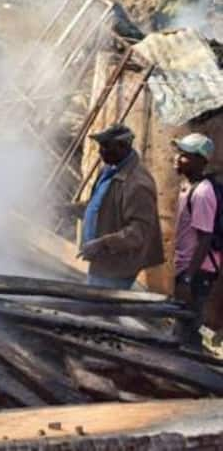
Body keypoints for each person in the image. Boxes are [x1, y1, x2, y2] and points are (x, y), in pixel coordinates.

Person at [74, 124, 164, 290]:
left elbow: (138, 232)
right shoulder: (109, 170)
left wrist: (101, 244)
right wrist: (72, 209)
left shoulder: (137, 183)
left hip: (118, 265)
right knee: (93, 305)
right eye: (100, 146)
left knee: (99, 309)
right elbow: (101, 206)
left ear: (123, 146)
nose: (100, 151)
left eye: (106, 146)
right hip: (102, 259)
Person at [171, 133, 221, 347]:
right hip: (189, 268)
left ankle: (190, 373)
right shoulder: (188, 188)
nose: (177, 158)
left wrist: (188, 279)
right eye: (179, 153)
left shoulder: (202, 193)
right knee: (184, 323)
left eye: (185, 155)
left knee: (188, 327)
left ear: (201, 161)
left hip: (197, 271)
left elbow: (205, 239)